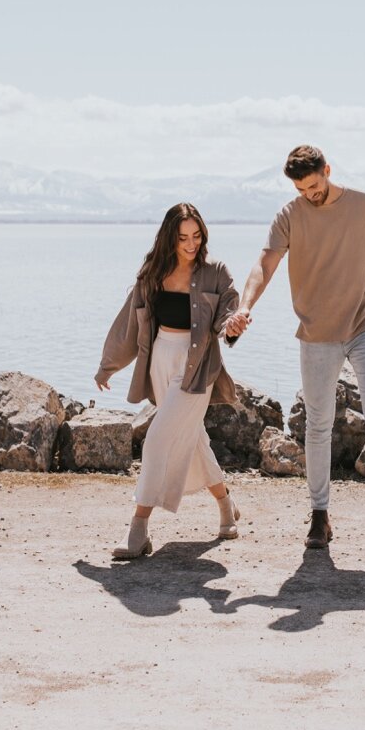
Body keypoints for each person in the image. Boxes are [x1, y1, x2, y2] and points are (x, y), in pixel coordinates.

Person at [223, 145, 365, 547]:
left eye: (314, 185)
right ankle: (320, 515)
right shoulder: (289, 216)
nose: (310, 194)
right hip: (317, 331)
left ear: (327, 170)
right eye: (301, 188)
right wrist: (245, 306)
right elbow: (265, 264)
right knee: (318, 424)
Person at [96, 203, 243, 559]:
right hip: (160, 361)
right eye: (183, 238)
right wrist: (108, 366)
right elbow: (130, 324)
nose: (191, 244)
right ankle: (226, 506)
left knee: (158, 439)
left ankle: (139, 528)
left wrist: (232, 326)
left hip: (197, 369)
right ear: (169, 239)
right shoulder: (152, 273)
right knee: (192, 439)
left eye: (196, 236)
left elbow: (229, 311)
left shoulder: (215, 272)